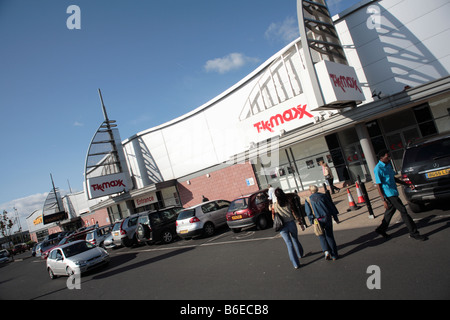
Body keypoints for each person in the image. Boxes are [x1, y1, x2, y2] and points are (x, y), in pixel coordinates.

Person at [374, 149, 427, 241]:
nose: (389, 158)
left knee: (390, 211)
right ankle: (414, 233)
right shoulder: (378, 169)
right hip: (389, 194)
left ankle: (381, 229)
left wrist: (407, 184)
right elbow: (378, 186)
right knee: (403, 211)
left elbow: (393, 178)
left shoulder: (388, 165)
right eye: (387, 156)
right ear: (382, 158)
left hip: (393, 191)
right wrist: (383, 200)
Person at [272, 188, 305, 269]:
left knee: (289, 244)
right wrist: (300, 222)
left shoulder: (274, 205)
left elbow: (273, 217)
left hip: (282, 227)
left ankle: (295, 264)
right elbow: (294, 213)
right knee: (295, 239)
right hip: (291, 223)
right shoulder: (288, 203)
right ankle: (300, 254)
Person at [304, 185, 340, 260]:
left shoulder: (308, 199)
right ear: (317, 190)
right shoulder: (324, 196)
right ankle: (334, 255)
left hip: (317, 220)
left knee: (321, 235)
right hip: (327, 217)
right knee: (330, 236)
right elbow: (331, 206)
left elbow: (308, 212)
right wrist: (335, 217)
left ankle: (326, 251)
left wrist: (311, 221)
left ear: (310, 191)